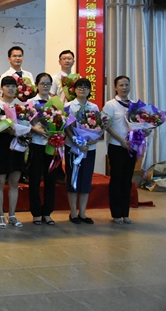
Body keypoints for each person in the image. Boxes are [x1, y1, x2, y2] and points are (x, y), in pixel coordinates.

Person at [102, 76, 138, 225]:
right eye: (121, 85)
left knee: (127, 180)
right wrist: (121, 140)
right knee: (117, 179)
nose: (124, 87)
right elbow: (107, 126)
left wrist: (145, 131)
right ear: (115, 87)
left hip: (132, 147)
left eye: (126, 85)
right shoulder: (110, 105)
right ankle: (116, 213)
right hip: (117, 146)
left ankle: (125, 213)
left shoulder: (135, 105)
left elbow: (140, 124)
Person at [0, 76, 24, 229]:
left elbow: (26, 124)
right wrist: (4, 129)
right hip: (1, 145)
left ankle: (12, 214)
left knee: (14, 181)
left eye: (13, 86)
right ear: (1, 88)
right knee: (0, 181)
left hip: (17, 145)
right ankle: (0, 215)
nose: (11, 89)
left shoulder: (21, 105)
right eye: (7, 86)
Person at [64, 78, 100, 225]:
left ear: (89, 90)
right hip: (73, 147)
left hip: (89, 148)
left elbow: (98, 125)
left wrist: (94, 138)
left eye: (86, 87)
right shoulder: (69, 106)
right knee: (73, 179)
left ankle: (83, 213)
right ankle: (73, 213)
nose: (82, 89)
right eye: (79, 87)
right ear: (74, 90)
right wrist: (77, 141)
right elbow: (66, 127)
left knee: (86, 179)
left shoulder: (94, 107)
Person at [28, 73, 57, 225]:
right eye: (42, 83)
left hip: (52, 144)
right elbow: (25, 123)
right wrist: (36, 130)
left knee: (50, 179)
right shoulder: (30, 102)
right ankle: (36, 213)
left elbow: (61, 121)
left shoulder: (55, 102)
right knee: (35, 178)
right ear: (36, 85)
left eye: (48, 84)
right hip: (36, 143)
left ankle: (47, 212)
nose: (45, 86)